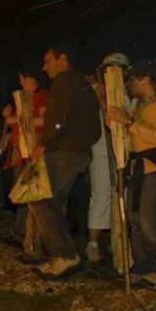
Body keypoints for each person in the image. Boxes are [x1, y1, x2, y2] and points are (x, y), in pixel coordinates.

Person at [106, 60, 156, 289]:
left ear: (145, 79)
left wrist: (128, 122)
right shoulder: (140, 107)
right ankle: (142, 265)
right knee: (134, 222)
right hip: (138, 169)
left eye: (131, 80)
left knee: (150, 222)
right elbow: (134, 141)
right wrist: (116, 128)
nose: (129, 85)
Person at [26, 45, 101, 279]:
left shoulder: (64, 81)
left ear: (63, 58)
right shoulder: (82, 84)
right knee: (51, 203)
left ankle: (65, 256)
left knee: (40, 199)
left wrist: (44, 143)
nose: (44, 67)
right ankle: (61, 256)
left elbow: (58, 119)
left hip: (64, 152)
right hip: (77, 152)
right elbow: (93, 127)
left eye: (48, 61)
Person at [85, 52, 130, 263]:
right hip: (101, 148)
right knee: (101, 193)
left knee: (123, 194)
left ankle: (120, 242)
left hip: (126, 150)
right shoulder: (93, 92)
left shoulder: (130, 94)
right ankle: (92, 243)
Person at [1, 68, 49, 255]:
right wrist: (8, 117)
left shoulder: (42, 96)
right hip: (18, 150)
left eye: (24, 79)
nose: (21, 83)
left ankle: (28, 236)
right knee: (19, 191)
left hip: (31, 150)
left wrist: (19, 119)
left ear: (34, 80)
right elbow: (13, 121)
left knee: (28, 192)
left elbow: (43, 121)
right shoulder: (23, 100)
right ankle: (20, 232)